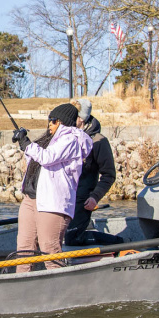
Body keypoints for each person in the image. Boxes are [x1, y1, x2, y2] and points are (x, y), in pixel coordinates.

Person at [12, 103, 93, 272]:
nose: (50, 123)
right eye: (49, 120)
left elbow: (48, 158)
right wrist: (23, 141)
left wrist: (26, 143)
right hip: (31, 199)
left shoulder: (70, 139)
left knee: (50, 249)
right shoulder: (49, 139)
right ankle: (21, 287)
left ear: (63, 122)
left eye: (54, 120)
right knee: (24, 249)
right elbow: (36, 159)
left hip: (52, 203)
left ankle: (59, 290)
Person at [64, 98, 117, 246]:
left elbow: (109, 175)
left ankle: (117, 243)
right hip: (63, 197)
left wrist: (95, 197)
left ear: (81, 119)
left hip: (83, 200)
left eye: (73, 116)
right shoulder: (65, 137)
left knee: (72, 239)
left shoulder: (99, 141)